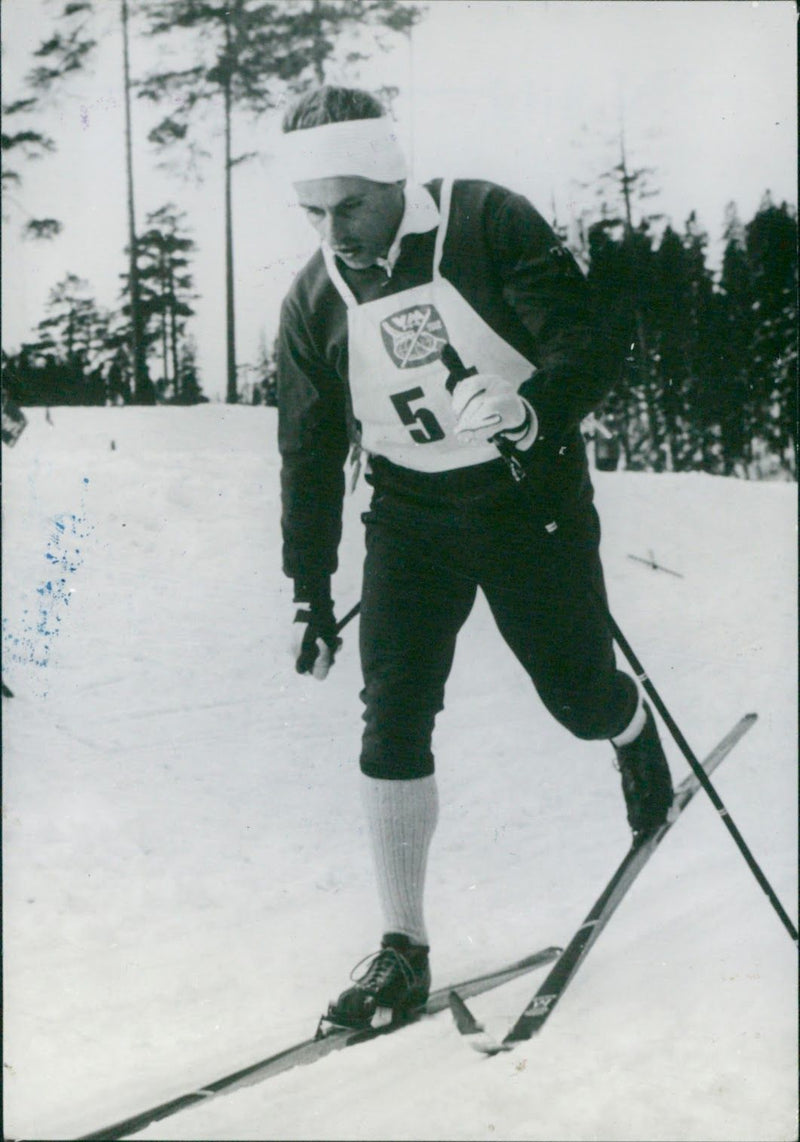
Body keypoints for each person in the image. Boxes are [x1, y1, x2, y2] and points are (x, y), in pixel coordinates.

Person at [276, 85, 674, 1030]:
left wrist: (536, 406)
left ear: (392, 175)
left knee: (574, 691)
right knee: (394, 712)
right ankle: (401, 948)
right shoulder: (313, 300)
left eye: (351, 206)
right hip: (410, 514)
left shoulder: (484, 219)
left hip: (523, 494)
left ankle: (626, 727)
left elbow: (583, 337)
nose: (335, 232)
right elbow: (307, 449)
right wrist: (306, 589)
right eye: (313, 213)